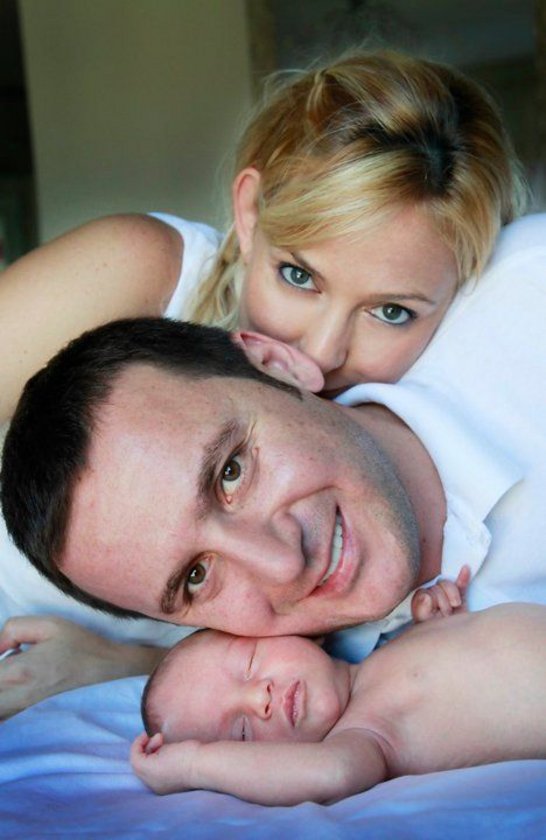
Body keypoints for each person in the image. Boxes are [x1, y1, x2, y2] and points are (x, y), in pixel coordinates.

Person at [0, 48, 529, 713]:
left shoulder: (358, 483)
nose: (323, 350)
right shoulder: (145, 272)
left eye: (391, 312)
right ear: (249, 213)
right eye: (299, 276)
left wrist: (127, 667)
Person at [3, 200, 546, 657]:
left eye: (231, 473)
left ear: (277, 364)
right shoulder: (291, 701)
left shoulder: (528, 300)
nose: (284, 564)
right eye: (196, 578)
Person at [131, 600, 546, 805]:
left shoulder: (388, 649)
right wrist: (194, 765)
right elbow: (333, 774)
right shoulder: (364, 735)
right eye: (241, 732)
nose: (260, 698)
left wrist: (437, 618)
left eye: (250, 664)